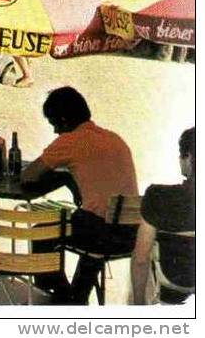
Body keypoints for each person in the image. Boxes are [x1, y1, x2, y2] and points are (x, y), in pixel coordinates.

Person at [21, 86, 138, 305]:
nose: (55, 131)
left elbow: (28, 176)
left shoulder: (69, 141)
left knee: (41, 235)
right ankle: (76, 297)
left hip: (99, 232)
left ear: (64, 120)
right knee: (85, 220)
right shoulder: (114, 138)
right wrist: (70, 179)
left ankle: (64, 297)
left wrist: (65, 177)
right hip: (130, 232)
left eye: (54, 124)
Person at [131, 128, 195, 305]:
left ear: (189, 158)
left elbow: (141, 259)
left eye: (181, 155)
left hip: (176, 285)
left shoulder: (159, 196)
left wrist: (137, 305)